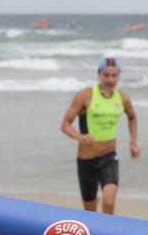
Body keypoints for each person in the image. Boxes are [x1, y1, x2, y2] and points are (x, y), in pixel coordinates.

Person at [59, 57, 140, 214]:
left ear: (119, 76)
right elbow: (65, 124)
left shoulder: (122, 98)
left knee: (108, 202)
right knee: (90, 211)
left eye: (114, 75)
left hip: (109, 157)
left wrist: (133, 143)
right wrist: (80, 137)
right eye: (106, 75)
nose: (110, 79)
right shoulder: (85, 95)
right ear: (99, 75)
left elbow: (132, 117)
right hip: (86, 161)